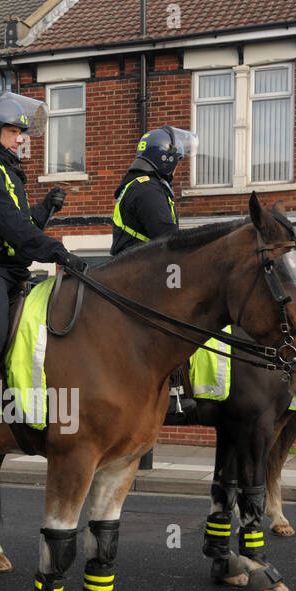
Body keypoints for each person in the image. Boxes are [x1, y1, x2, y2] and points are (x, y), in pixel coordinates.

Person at [0, 91, 87, 451]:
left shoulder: (3, 169)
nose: (21, 138)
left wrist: (43, 210)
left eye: (21, 132)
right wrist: (58, 253)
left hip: (9, 269)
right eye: (13, 131)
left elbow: (16, 222)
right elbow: (9, 227)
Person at [111, 126, 198, 421]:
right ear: (164, 159)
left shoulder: (145, 184)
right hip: (139, 274)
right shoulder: (147, 189)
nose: (178, 164)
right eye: (176, 159)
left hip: (140, 269)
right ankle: (173, 389)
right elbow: (168, 238)